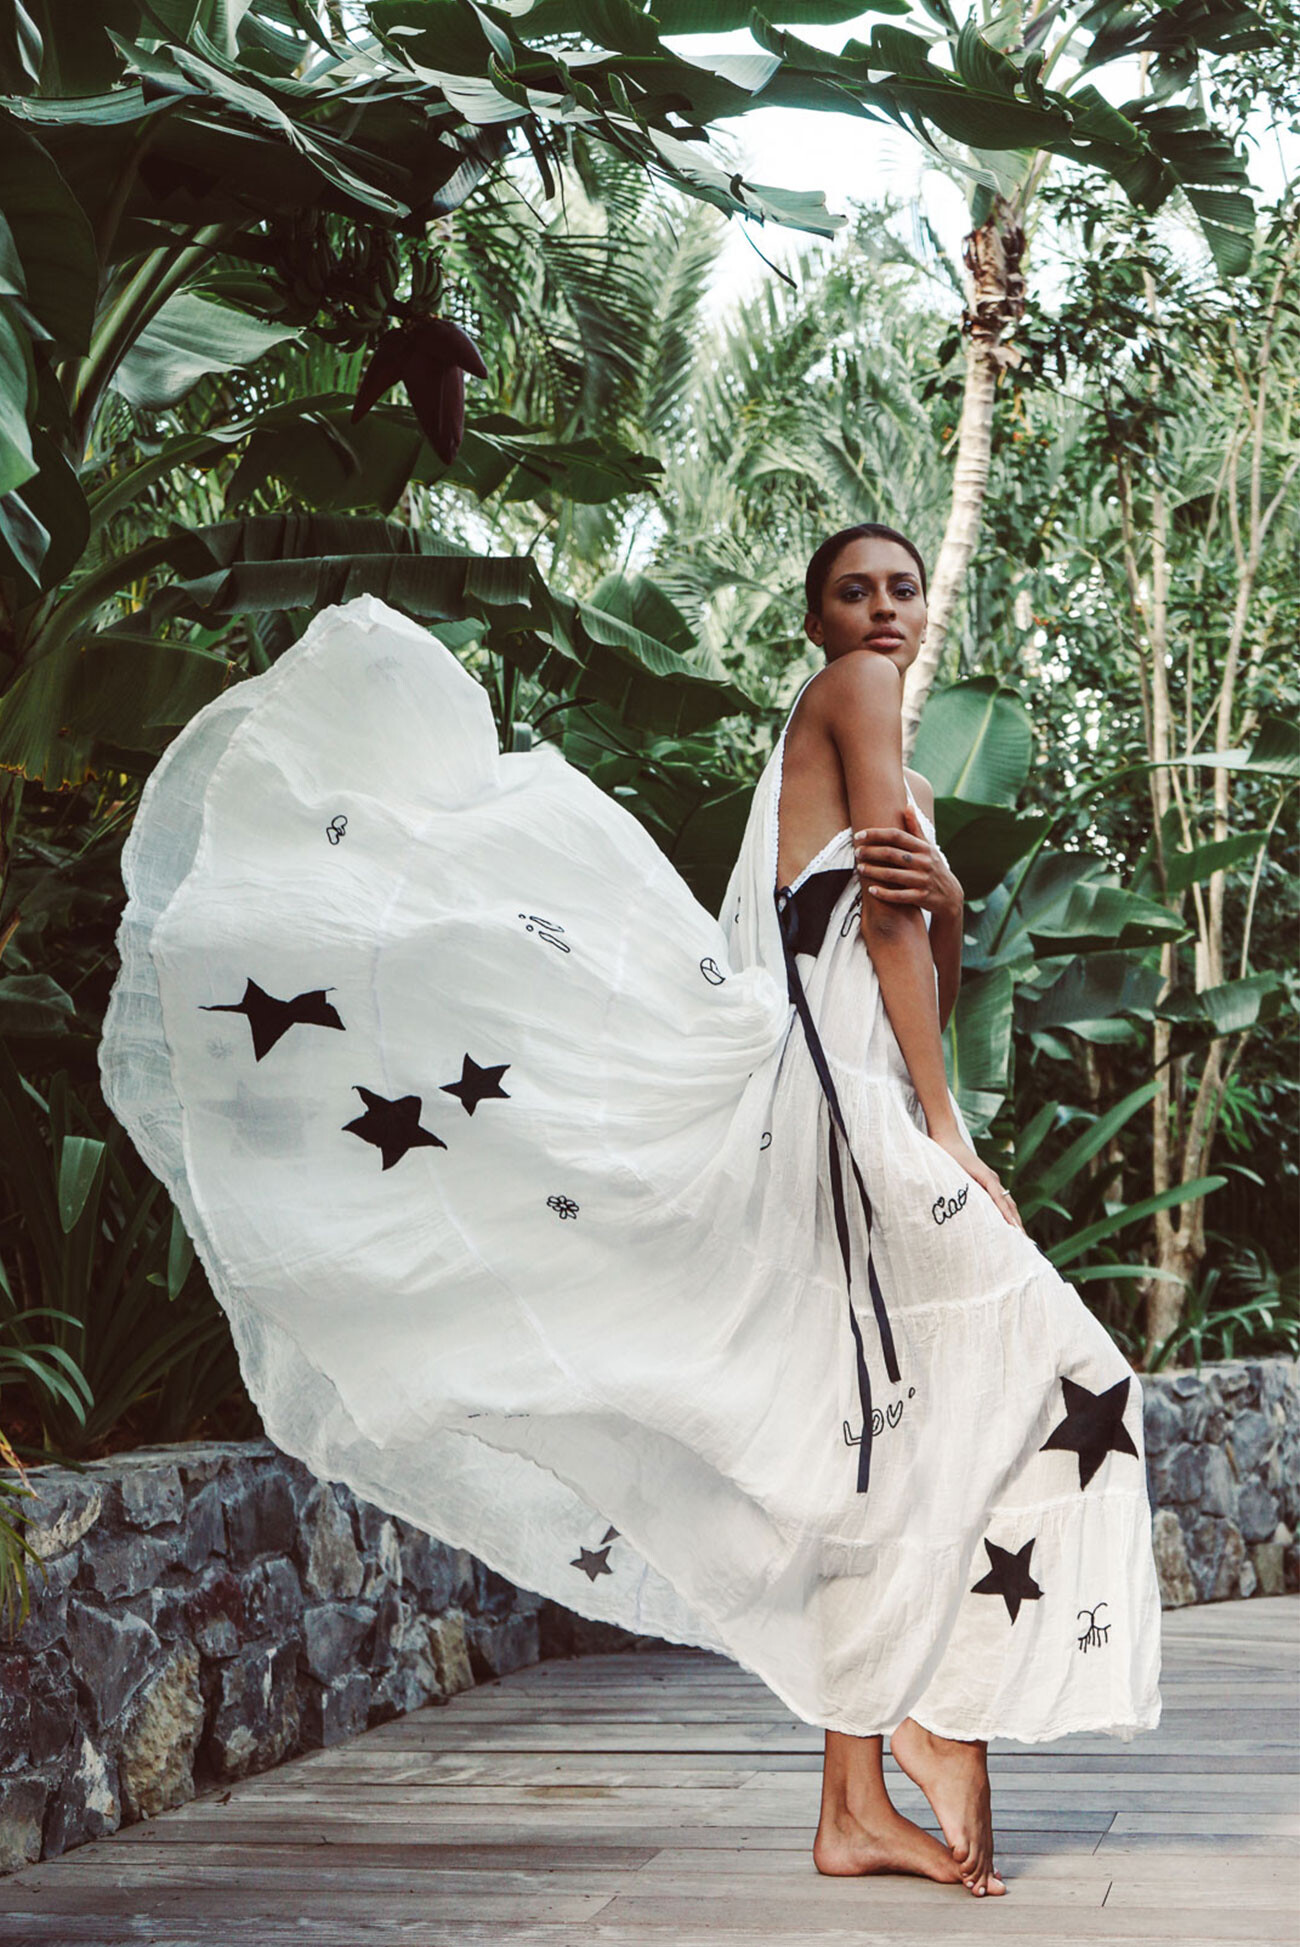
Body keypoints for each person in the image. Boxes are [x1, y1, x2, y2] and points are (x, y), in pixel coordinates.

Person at [100, 523, 1162, 1906]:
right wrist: (947, 1133)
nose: (884, 610)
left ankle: (857, 1797)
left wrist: (952, 909)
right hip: (838, 1117)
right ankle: (920, 1718)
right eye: (854, 592)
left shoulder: (883, 758)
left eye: (901, 589)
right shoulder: (855, 693)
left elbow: (899, 952)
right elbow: (878, 949)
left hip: (848, 1110)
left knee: (862, 1430)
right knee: (1068, 1374)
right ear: (816, 621)